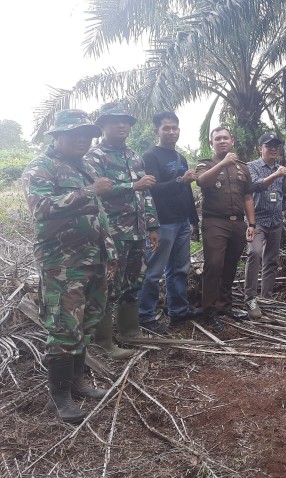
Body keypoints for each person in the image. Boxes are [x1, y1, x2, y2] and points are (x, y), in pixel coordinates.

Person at [22, 109, 115, 423]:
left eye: (88, 134)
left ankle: (77, 382)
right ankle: (61, 396)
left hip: (93, 261)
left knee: (86, 324)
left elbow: (99, 215)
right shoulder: (41, 168)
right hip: (62, 265)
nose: (83, 140)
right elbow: (41, 209)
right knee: (64, 329)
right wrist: (89, 191)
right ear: (56, 136)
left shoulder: (85, 166)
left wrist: (110, 253)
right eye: (75, 134)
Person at [85, 102, 159, 357]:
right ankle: (103, 341)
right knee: (108, 284)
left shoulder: (133, 156)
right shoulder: (94, 157)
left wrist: (152, 225)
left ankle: (130, 330)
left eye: (125, 121)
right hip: (112, 234)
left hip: (137, 232)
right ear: (103, 125)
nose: (122, 125)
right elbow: (97, 192)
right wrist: (131, 185)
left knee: (134, 281)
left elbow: (145, 192)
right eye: (115, 121)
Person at [139, 112, 201, 330]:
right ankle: (146, 316)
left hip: (183, 222)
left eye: (174, 128)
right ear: (157, 131)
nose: (171, 132)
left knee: (180, 269)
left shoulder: (180, 158)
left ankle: (178, 310)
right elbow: (152, 189)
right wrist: (179, 180)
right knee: (154, 271)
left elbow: (187, 191)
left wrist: (194, 220)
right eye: (166, 128)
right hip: (162, 223)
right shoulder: (150, 156)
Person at [196, 127, 256, 332]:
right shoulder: (206, 164)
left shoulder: (242, 167)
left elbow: (248, 197)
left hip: (237, 223)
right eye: (217, 139)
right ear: (211, 142)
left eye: (225, 138)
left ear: (232, 141)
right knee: (214, 264)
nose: (221, 141)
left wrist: (252, 224)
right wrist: (222, 163)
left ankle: (225, 305)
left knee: (231, 264)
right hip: (215, 222)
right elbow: (201, 182)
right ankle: (209, 310)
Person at [244, 133, 286, 319]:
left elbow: (283, 195)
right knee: (254, 253)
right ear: (260, 148)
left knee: (271, 260)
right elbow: (256, 186)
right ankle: (250, 297)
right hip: (257, 222)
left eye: (276, 146)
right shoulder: (251, 167)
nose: (273, 149)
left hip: (276, 221)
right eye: (268, 145)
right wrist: (275, 174)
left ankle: (267, 297)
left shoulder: (282, 170)